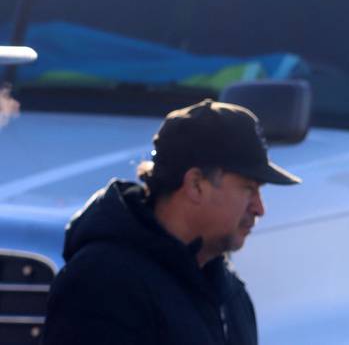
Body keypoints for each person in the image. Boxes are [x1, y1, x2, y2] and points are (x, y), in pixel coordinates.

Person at [43, 98, 301, 345]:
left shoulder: (228, 291)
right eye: (248, 188)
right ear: (196, 184)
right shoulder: (102, 285)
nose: (259, 208)